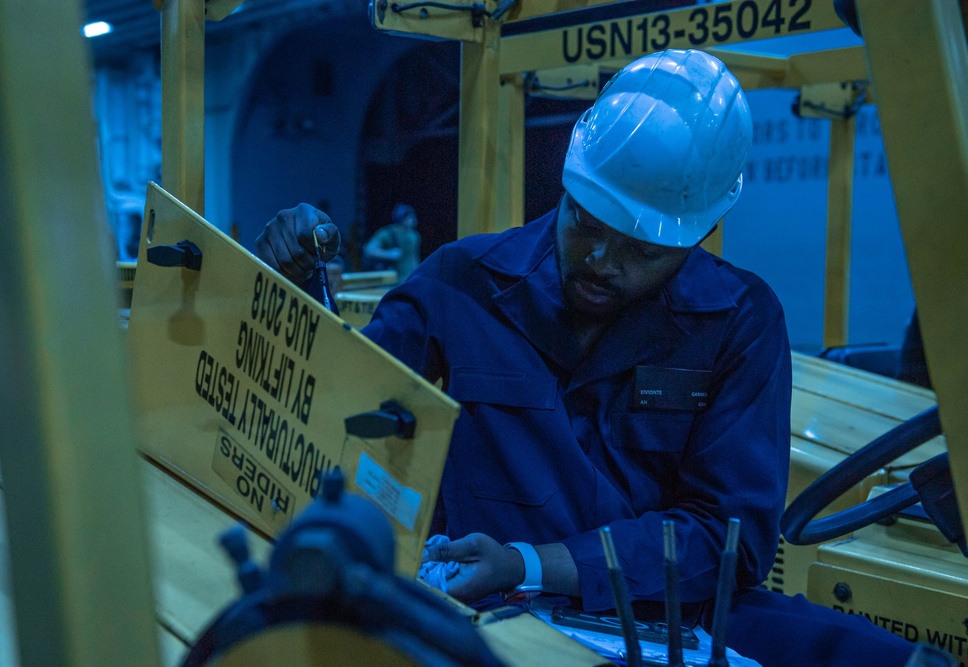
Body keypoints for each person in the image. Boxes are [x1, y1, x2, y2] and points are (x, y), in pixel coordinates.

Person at [256, 49, 918, 667]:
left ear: (698, 232)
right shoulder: (460, 284)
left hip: (666, 614)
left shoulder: (739, 321)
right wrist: (284, 299)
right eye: (585, 223)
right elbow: (333, 410)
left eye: (639, 248)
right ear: (568, 184)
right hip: (485, 609)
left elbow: (728, 537)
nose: (601, 261)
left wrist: (532, 562)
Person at [362, 203, 421, 281]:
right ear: (402, 218)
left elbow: (414, 258)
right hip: (389, 281)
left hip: (407, 280)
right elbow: (369, 250)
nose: (413, 219)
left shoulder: (414, 236)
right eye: (409, 217)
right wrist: (389, 254)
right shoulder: (387, 233)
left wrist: (416, 276)